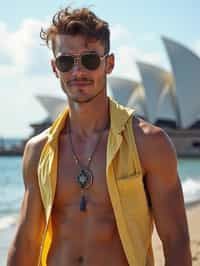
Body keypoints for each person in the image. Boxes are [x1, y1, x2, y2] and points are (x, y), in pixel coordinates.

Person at [7, 6, 192, 266]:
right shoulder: (38, 151)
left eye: (90, 60)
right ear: (54, 68)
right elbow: (26, 242)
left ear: (109, 63)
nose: (77, 71)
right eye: (66, 61)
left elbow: (176, 240)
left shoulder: (149, 143)